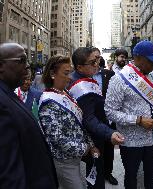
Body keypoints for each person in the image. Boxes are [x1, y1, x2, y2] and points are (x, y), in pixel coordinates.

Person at [105, 40, 153, 189]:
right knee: (132, 177)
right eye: (151, 61)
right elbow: (110, 111)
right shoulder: (119, 79)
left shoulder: (151, 75)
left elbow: (151, 96)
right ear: (138, 58)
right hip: (132, 142)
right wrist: (138, 120)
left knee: (151, 176)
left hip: (152, 139)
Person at [0, 42, 58, 188]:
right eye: (22, 61)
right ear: (1, 66)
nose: (27, 66)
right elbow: (9, 172)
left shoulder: (8, 95)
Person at [69, 47, 124, 189]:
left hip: (98, 133)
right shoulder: (81, 86)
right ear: (80, 67)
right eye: (92, 62)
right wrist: (109, 132)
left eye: (97, 61)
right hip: (92, 139)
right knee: (94, 177)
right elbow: (88, 118)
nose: (97, 65)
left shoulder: (86, 77)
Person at [39, 55, 97, 189]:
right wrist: (84, 149)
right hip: (64, 161)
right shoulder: (48, 101)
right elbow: (56, 137)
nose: (70, 77)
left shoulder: (65, 93)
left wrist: (90, 144)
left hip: (76, 158)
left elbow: (79, 124)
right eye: (66, 73)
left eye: (70, 72)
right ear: (53, 74)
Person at [92, 48, 118, 185]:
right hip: (92, 120)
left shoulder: (110, 74)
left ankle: (108, 173)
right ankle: (96, 175)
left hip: (108, 118)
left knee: (109, 149)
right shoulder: (82, 76)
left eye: (98, 57)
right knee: (94, 150)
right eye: (93, 58)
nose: (96, 60)